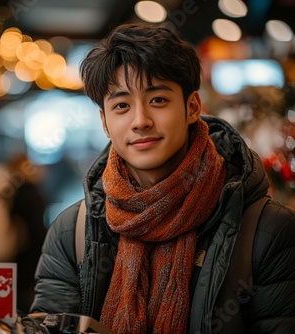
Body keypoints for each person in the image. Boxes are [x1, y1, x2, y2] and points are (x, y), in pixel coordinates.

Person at [30, 23, 295, 333]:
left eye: (158, 100)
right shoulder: (72, 232)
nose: (140, 121)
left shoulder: (267, 230)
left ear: (192, 107)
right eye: (121, 106)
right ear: (104, 121)